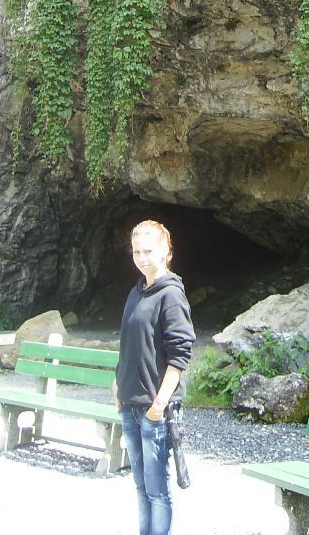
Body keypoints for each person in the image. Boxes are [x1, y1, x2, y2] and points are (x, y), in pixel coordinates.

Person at [113, 219, 195, 535]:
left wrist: (160, 403)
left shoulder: (171, 294)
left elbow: (179, 355)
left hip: (155, 409)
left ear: (165, 251)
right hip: (130, 403)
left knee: (158, 491)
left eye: (148, 251)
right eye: (136, 251)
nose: (142, 258)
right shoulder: (137, 292)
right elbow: (129, 342)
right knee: (141, 486)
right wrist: (117, 381)